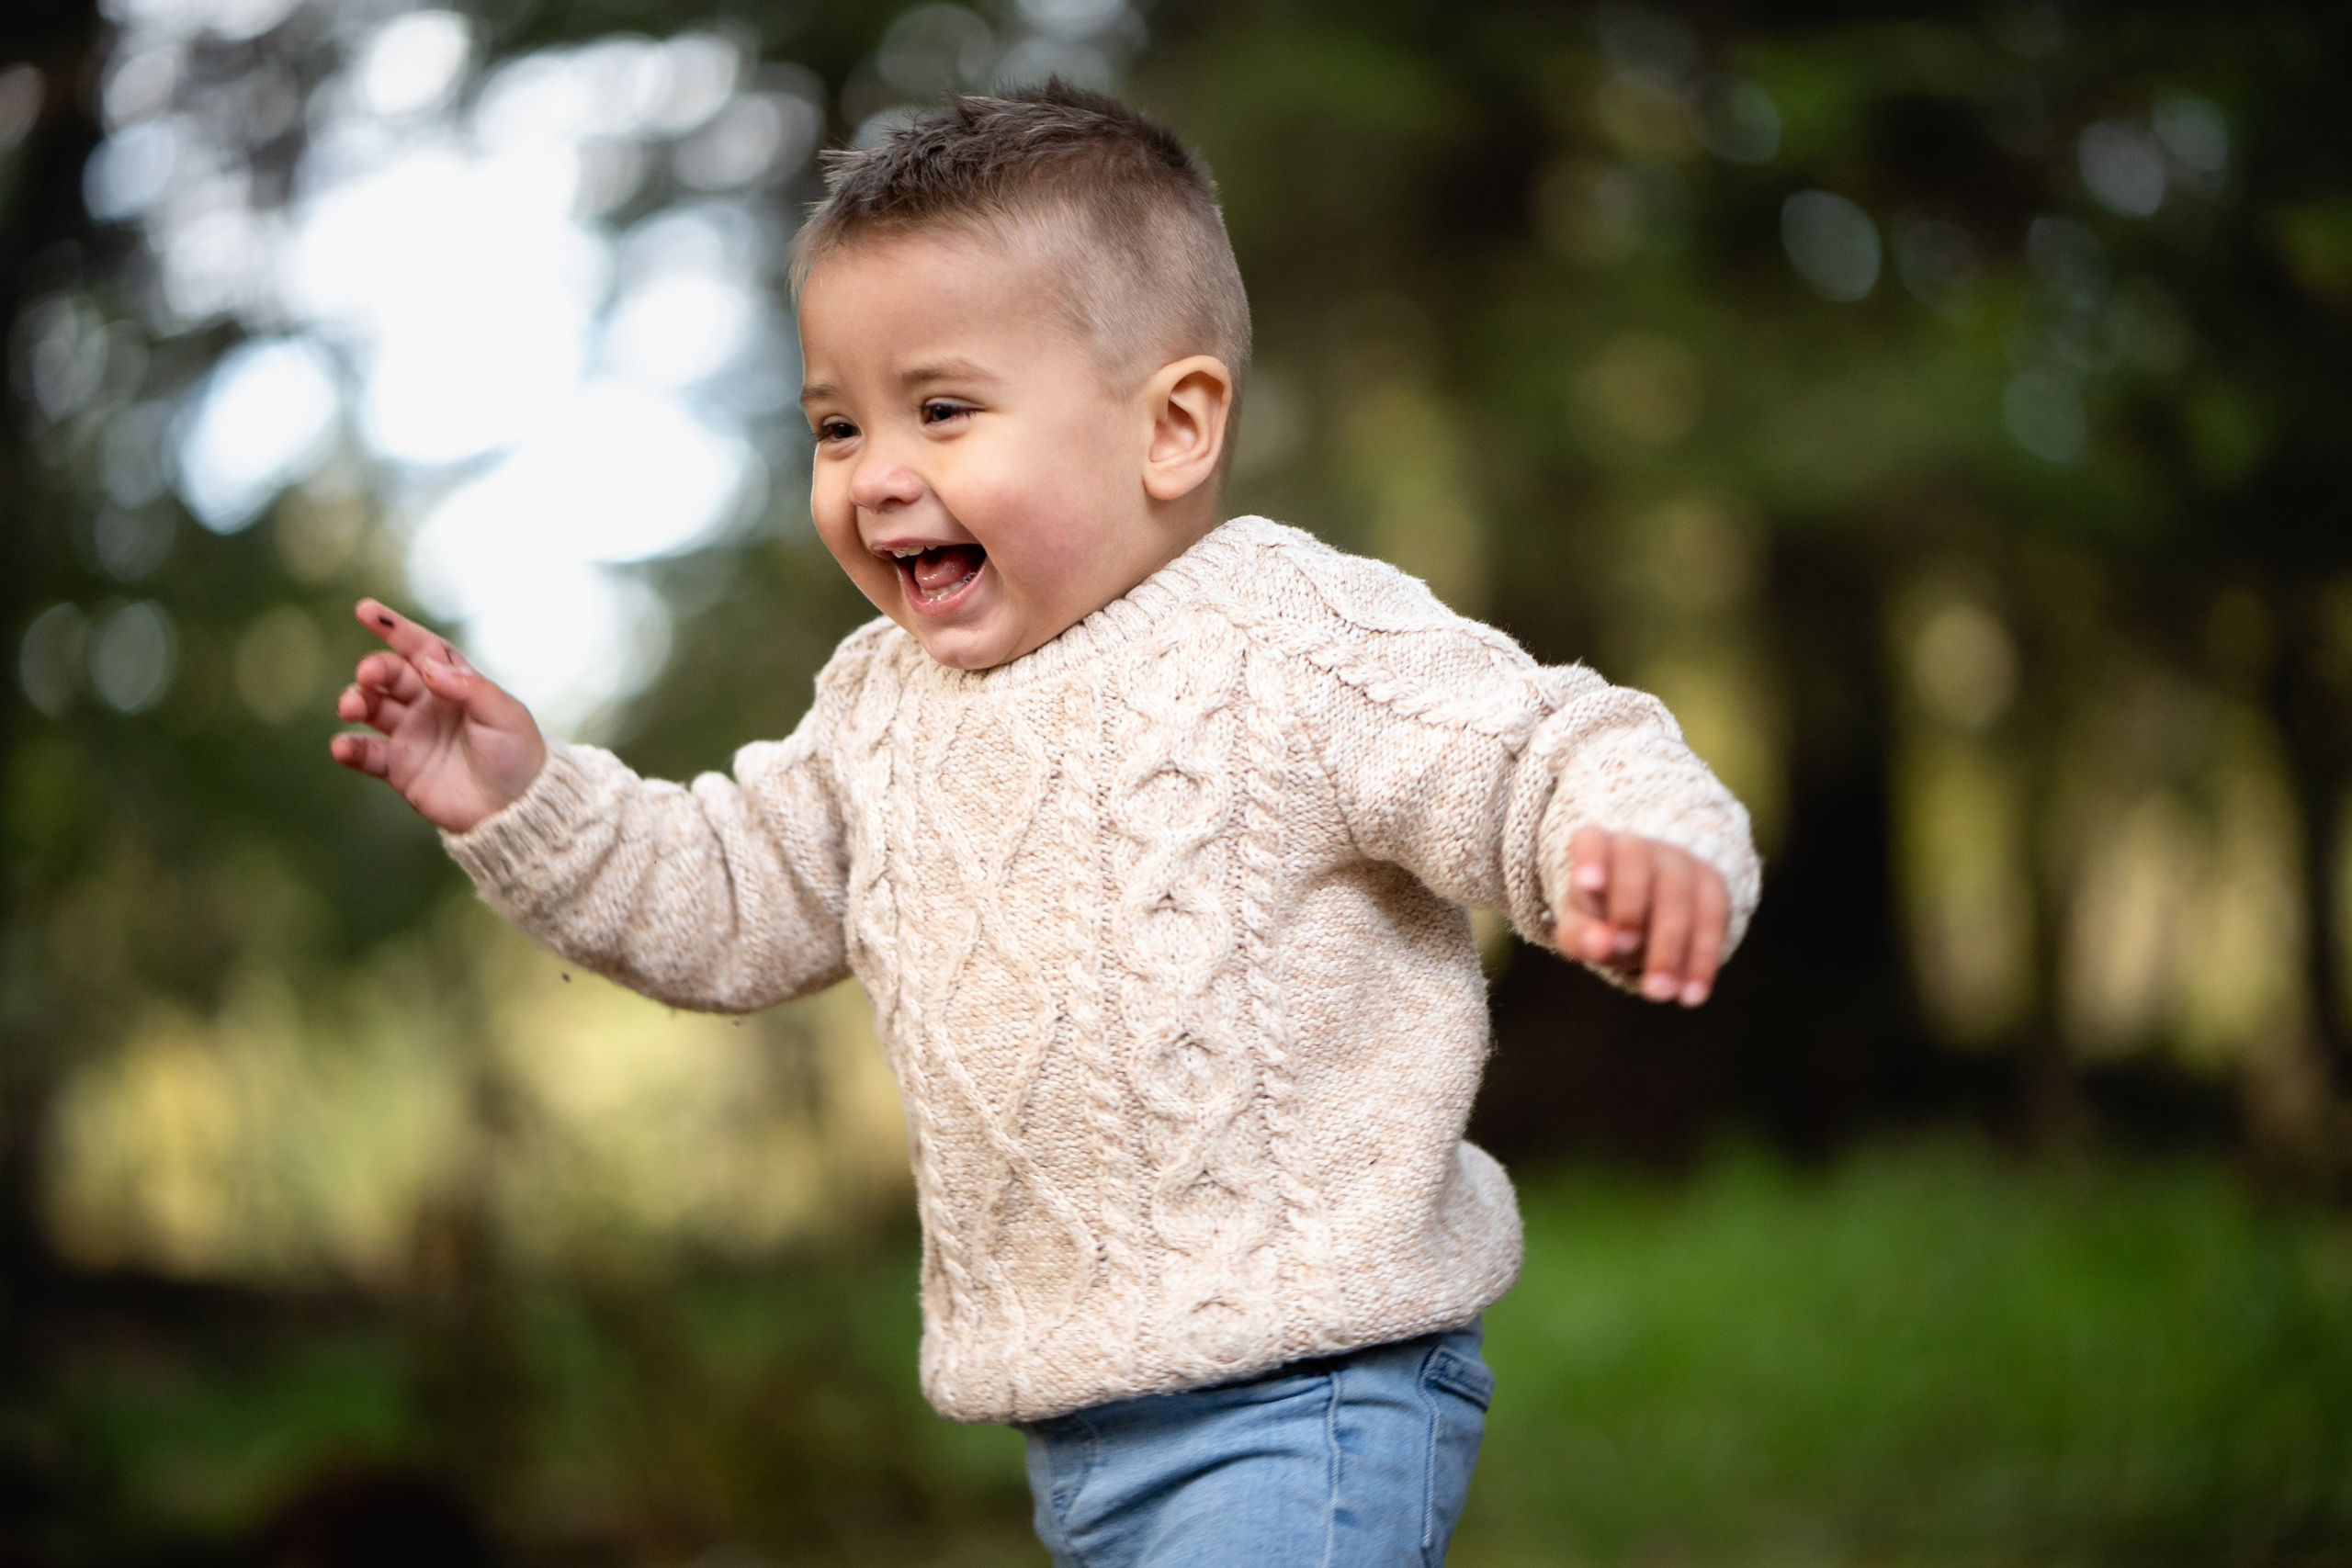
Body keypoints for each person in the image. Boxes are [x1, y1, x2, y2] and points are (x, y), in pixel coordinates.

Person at [330, 82, 1759, 1568]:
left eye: (941, 410)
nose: (878, 474)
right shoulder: (877, 708)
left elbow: (1539, 748)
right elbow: (728, 896)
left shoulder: (1284, 639)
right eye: (836, 424)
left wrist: (1636, 840)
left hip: (1309, 1394)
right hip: (1076, 1438)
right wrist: (520, 797)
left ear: (1174, 426)